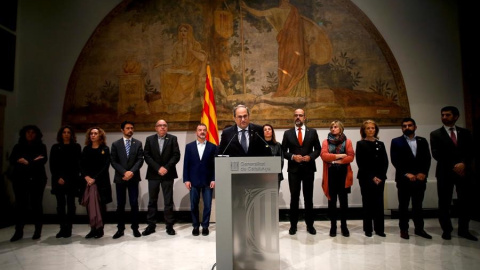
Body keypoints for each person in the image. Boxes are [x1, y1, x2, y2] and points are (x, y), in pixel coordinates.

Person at [240, 0, 332, 97]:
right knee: (289, 67)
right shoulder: (288, 12)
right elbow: (260, 13)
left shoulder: (288, 11)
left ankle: (296, 93)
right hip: (292, 46)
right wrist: (246, 7)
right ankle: (291, 92)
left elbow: (259, 13)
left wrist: (246, 7)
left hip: (295, 46)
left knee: (292, 67)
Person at [430, 106, 477, 241]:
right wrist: (454, 165)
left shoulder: (466, 133)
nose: (444, 117)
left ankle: (464, 230)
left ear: (456, 117)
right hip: (445, 172)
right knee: (444, 202)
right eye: (442, 115)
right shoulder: (436, 134)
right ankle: (446, 229)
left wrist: (463, 164)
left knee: (465, 202)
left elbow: (471, 151)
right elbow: (437, 154)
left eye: (448, 115)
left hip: (464, 172)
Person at [391, 117, 432, 240]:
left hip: (419, 179)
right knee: (403, 206)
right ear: (402, 128)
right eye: (404, 126)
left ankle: (419, 229)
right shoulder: (396, 141)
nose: (407, 127)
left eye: (409, 125)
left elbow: (427, 159)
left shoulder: (422, 141)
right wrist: (406, 173)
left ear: (415, 127)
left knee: (418, 206)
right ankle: (404, 229)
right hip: (404, 179)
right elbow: (395, 160)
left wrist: (423, 173)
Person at [281, 108, 321, 235]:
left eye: (300, 115)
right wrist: (293, 157)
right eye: (296, 115)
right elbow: (283, 151)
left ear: (305, 117)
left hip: (309, 168)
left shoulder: (313, 132)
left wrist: (311, 156)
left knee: (308, 198)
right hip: (294, 170)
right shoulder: (288, 133)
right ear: (294, 117)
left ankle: (310, 225)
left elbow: (318, 149)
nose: (298, 117)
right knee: (294, 197)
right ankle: (293, 226)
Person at [9, 125, 48, 242]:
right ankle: (18, 231)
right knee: (20, 205)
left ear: (37, 134)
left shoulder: (41, 146)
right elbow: (12, 160)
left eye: (33, 132)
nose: (30, 134)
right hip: (20, 179)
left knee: (36, 204)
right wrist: (32, 161)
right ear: (24, 134)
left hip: (37, 179)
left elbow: (42, 160)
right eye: (28, 132)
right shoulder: (18, 147)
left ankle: (37, 230)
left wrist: (26, 161)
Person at [142, 119, 181, 236]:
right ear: (156, 128)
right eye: (160, 125)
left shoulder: (173, 139)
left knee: (168, 201)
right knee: (152, 201)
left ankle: (169, 226)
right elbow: (147, 156)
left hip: (168, 174)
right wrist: (158, 168)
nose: (162, 127)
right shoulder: (150, 139)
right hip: (154, 174)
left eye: (165, 125)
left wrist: (166, 168)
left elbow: (176, 155)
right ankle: (151, 225)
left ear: (167, 128)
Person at [154, 23, 207, 106]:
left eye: (185, 31)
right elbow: (173, 60)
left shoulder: (195, 44)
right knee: (165, 75)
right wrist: (160, 63)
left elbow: (203, 58)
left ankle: (180, 102)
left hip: (191, 70)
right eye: (181, 31)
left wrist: (191, 50)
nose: (183, 33)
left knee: (182, 80)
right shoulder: (177, 45)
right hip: (179, 68)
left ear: (189, 32)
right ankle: (168, 101)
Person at [110, 121, 144, 239]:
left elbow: (140, 160)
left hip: (133, 178)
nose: (130, 130)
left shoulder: (138, 143)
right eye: (127, 128)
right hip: (121, 178)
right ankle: (120, 229)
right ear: (122, 130)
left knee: (134, 203)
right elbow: (113, 161)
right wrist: (124, 172)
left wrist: (131, 172)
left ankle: (135, 228)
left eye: (132, 128)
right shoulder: (116, 144)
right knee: (121, 204)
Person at [320, 120, 354, 237]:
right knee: (332, 202)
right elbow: (324, 155)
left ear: (341, 128)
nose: (333, 129)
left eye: (335, 127)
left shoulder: (347, 141)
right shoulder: (326, 142)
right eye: (331, 127)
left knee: (344, 202)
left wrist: (335, 160)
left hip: (343, 174)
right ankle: (333, 226)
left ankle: (344, 226)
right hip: (331, 174)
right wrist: (339, 156)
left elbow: (351, 157)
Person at [355, 120, 389, 237]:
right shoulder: (361, 144)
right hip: (366, 178)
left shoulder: (380, 144)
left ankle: (379, 229)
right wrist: (372, 177)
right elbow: (361, 163)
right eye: (368, 128)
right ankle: (368, 229)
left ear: (376, 130)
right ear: (364, 130)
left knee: (379, 203)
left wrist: (380, 176)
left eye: (372, 128)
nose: (370, 130)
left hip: (380, 178)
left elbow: (385, 162)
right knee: (368, 203)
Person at [183, 123, 216, 236]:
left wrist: (214, 179)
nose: (202, 132)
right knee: (194, 205)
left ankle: (205, 226)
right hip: (193, 181)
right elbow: (186, 164)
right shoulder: (189, 146)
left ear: (206, 132)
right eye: (200, 130)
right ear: (196, 132)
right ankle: (195, 226)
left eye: (204, 130)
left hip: (208, 181)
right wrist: (186, 179)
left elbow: (214, 165)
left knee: (207, 205)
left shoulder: (213, 147)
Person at [49, 125, 82, 238]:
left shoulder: (76, 147)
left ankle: (69, 227)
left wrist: (70, 178)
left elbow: (77, 165)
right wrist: (58, 177)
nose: (66, 134)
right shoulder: (55, 147)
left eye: (68, 132)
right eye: (64, 132)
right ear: (61, 134)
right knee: (60, 205)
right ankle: (62, 227)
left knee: (71, 204)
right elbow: (52, 164)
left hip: (72, 179)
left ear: (71, 134)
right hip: (58, 180)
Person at [80, 127, 112, 239]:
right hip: (88, 183)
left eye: (95, 133)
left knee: (100, 206)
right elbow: (82, 165)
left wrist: (94, 179)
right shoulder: (86, 149)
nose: (93, 135)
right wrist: (87, 177)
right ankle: (92, 229)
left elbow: (105, 167)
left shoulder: (105, 149)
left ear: (100, 136)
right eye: (91, 134)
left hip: (100, 182)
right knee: (90, 207)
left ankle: (100, 228)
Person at [263, 124, 284, 189]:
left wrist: (273, 173)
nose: (267, 131)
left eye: (269, 129)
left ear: (272, 131)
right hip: (262, 177)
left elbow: (281, 161)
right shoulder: (259, 145)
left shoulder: (278, 145)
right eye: (265, 130)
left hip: (275, 176)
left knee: (273, 197)